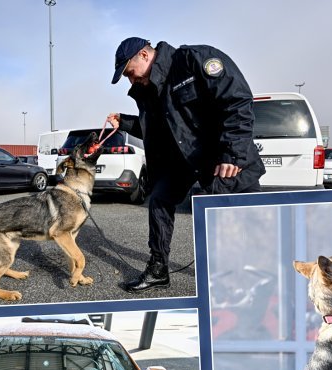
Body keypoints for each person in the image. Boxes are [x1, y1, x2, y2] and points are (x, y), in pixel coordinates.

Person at [107, 37, 265, 292]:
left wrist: (232, 154)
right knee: (159, 199)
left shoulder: (194, 60)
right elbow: (156, 129)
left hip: (223, 156)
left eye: (129, 73)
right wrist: (125, 122)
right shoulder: (148, 89)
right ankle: (158, 269)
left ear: (144, 56)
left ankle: (252, 277)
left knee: (243, 219)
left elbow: (236, 101)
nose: (131, 80)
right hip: (183, 159)